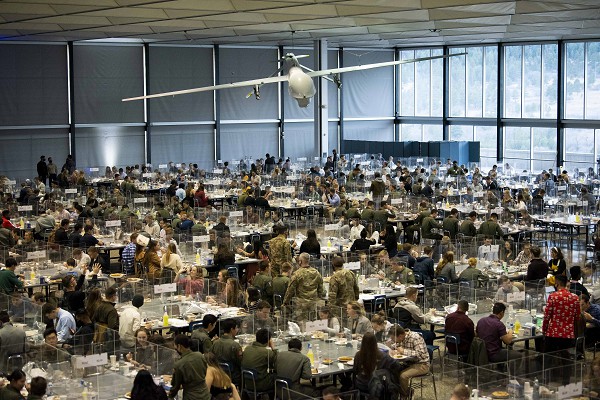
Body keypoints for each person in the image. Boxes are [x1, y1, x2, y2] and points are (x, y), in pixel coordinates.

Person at [543, 275, 580, 385]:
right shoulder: (575, 297)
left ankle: (545, 382)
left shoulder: (553, 296)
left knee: (548, 358)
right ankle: (566, 383)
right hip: (568, 333)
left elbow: (547, 316)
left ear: (557, 284)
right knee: (566, 359)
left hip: (553, 332)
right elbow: (577, 317)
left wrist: (544, 330)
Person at [353, 332, 402, 400]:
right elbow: (397, 365)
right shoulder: (382, 356)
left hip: (361, 384)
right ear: (375, 343)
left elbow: (355, 370)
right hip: (377, 385)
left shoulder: (358, 355)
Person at [476, 302, 522, 374]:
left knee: (503, 349)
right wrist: (510, 332)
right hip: (493, 354)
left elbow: (477, 334)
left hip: (481, 352)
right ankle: (511, 377)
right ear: (501, 313)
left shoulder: (481, 321)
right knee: (518, 355)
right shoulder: (499, 324)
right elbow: (507, 341)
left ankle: (501, 371)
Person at [388, 324, 430, 400]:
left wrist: (404, 351)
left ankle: (405, 395)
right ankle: (402, 392)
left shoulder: (415, 337)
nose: (393, 341)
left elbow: (421, 354)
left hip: (422, 364)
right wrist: (391, 348)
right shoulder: (401, 339)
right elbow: (395, 345)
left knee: (403, 376)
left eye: (394, 339)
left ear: (400, 336)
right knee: (392, 371)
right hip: (408, 363)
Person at [283, 252, 324, 321]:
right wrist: (318, 297)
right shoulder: (316, 272)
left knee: (302, 323)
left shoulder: (297, 274)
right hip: (313, 302)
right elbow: (320, 288)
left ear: (300, 261)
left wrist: (285, 302)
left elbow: (290, 290)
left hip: (301, 304)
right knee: (312, 323)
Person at [169, 334, 210, 400]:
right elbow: (205, 372)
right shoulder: (200, 356)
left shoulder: (179, 364)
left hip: (191, 396)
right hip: (205, 394)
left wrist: (169, 396)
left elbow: (176, 386)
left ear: (179, 346)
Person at [241, 328, 277, 394]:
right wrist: (273, 347)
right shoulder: (266, 352)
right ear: (268, 341)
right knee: (277, 376)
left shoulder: (247, 349)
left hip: (247, 383)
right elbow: (277, 361)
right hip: (259, 384)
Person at [212, 319, 243, 386]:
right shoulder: (235, 345)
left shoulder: (215, 343)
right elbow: (240, 362)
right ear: (232, 329)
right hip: (233, 375)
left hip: (219, 373)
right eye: (236, 328)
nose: (237, 330)